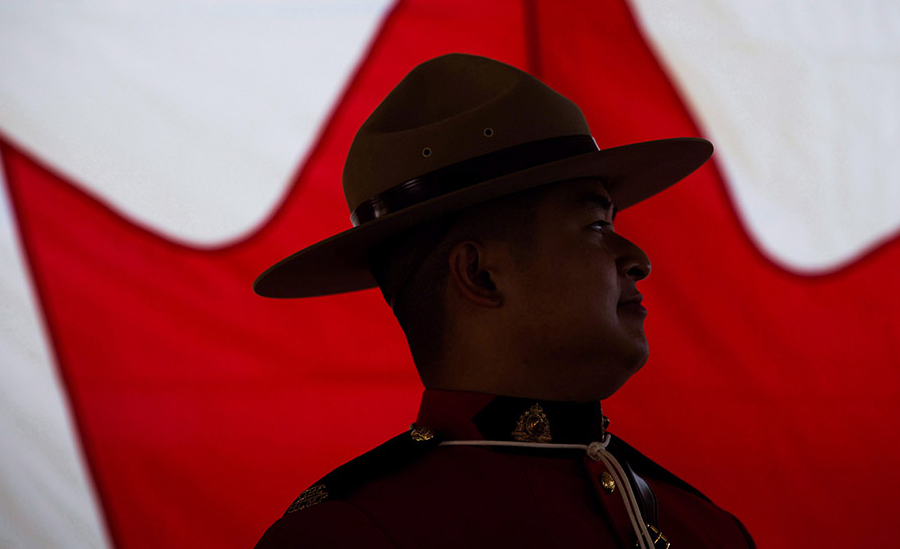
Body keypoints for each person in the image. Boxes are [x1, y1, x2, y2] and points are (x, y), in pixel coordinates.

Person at [252, 53, 755, 548]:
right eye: (597, 226)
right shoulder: (350, 536)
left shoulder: (706, 528)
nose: (638, 259)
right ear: (481, 275)